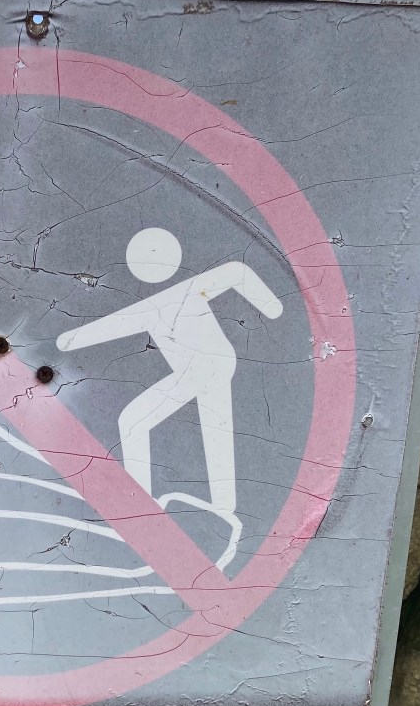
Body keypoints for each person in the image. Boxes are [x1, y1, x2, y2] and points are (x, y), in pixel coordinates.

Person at [57, 228, 283, 561]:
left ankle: (168, 508)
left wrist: (271, 305)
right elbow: (109, 326)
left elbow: (236, 273)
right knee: (188, 423)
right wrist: (69, 340)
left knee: (158, 422)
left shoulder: (185, 291)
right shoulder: (155, 305)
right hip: (203, 368)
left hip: (210, 365)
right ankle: (192, 506)